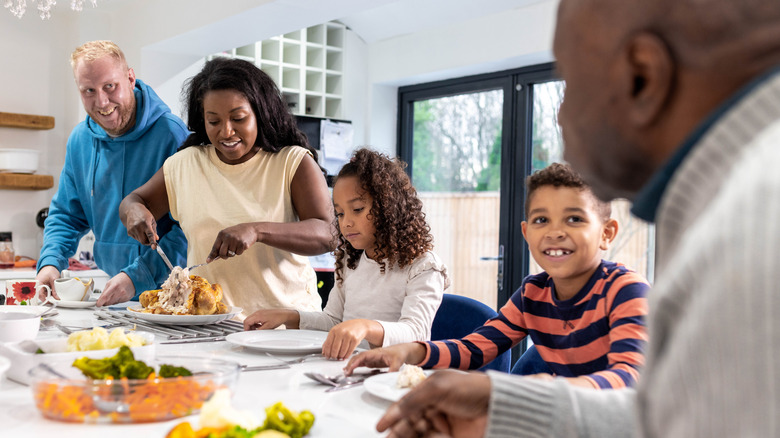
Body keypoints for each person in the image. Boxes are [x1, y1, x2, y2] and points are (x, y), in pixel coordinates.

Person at [374, 0, 780, 437]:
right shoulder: (731, 202)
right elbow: (671, 417)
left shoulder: (753, 231)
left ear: (641, 75)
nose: (562, 117)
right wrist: (515, 405)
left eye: (569, 82)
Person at [346, 163, 649, 389]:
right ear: (527, 233)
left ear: (606, 234)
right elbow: (475, 348)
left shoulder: (627, 291)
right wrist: (410, 350)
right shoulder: (534, 294)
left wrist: (545, 391)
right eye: (542, 219)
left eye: (574, 218)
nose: (555, 232)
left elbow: (629, 376)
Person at [120, 57, 333, 318]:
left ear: (260, 113)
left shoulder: (292, 162)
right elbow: (135, 200)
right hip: (211, 327)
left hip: (287, 326)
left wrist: (257, 230)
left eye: (238, 118)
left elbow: (328, 233)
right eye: (214, 121)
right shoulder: (184, 164)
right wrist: (134, 210)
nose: (226, 132)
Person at [243, 148, 449, 359]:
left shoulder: (424, 267)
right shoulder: (350, 261)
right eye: (339, 213)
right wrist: (287, 316)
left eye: (357, 209)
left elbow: (416, 334)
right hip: (348, 370)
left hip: (393, 376)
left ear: (388, 207)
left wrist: (365, 328)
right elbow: (332, 321)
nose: (346, 222)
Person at [36, 40, 189, 307]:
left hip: (169, 295)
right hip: (115, 291)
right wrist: (50, 263)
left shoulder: (172, 135)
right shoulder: (79, 141)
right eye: (89, 91)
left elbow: (191, 228)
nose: (102, 101)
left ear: (130, 78)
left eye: (110, 86)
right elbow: (66, 215)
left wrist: (139, 275)